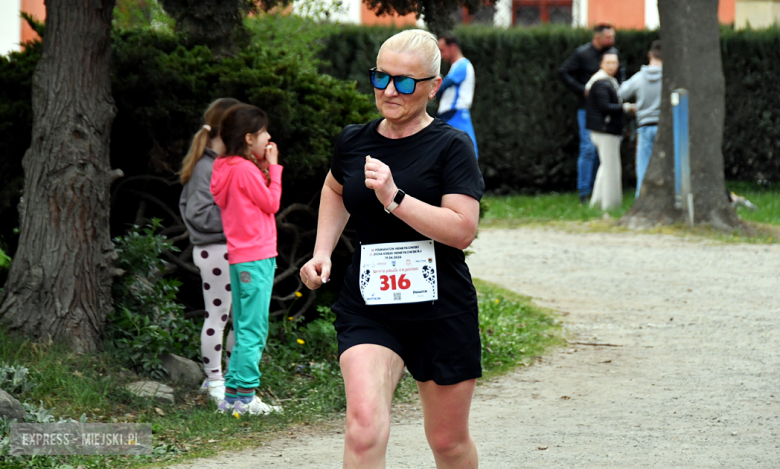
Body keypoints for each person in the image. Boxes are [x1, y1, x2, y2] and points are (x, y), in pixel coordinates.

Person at [299, 29, 484, 468]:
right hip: (371, 306)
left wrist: (395, 199)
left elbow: (462, 230)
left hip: (441, 309)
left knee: (447, 443)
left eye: (404, 82)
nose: (388, 91)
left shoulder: (452, 147)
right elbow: (334, 188)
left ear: (433, 87)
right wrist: (322, 251)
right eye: (380, 78)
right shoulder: (353, 140)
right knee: (364, 429)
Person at [210, 103, 284, 416]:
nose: (269, 137)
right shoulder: (244, 170)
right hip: (258, 257)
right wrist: (275, 168)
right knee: (253, 330)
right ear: (250, 137)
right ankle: (247, 397)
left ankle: (232, 398)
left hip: (240, 258)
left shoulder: (224, 168)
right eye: (264, 131)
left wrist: (262, 168)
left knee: (242, 327)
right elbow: (272, 202)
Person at [178, 97, 239, 404]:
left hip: (227, 249)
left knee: (237, 317)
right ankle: (215, 381)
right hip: (216, 250)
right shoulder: (207, 165)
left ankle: (231, 380)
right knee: (218, 315)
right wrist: (239, 218)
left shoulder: (217, 162)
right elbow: (199, 214)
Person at [559, 24, 617, 203]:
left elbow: (620, 73)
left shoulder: (612, 52)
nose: (611, 41)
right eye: (608, 37)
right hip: (587, 108)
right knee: (588, 148)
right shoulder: (582, 54)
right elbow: (563, 72)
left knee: (604, 150)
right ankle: (584, 191)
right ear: (597, 38)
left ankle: (600, 189)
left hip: (607, 108)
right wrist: (581, 89)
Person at [585, 50, 631, 211]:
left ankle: (597, 203)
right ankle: (610, 204)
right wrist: (626, 108)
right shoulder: (601, 82)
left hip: (604, 129)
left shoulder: (605, 81)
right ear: (601, 64)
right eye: (609, 63)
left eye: (615, 63)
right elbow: (605, 107)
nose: (612, 66)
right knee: (611, 167)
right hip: (606, 130)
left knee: (606, 166)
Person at [619, 40, 662, 198]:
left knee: (643, 167)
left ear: (650, 55)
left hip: (644, 125)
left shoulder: (639, 78)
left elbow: (621, 93)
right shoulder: (669, 77)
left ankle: (641, 198)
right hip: (664, 126)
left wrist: (632, 105)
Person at [436, 33, 479, 159]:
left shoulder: (462, 65)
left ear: (453, 47)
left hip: (455, 115)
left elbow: (442, 87)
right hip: (451, 115)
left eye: (442, 50)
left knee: (466, 153)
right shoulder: (457, 66)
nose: (441, 54)